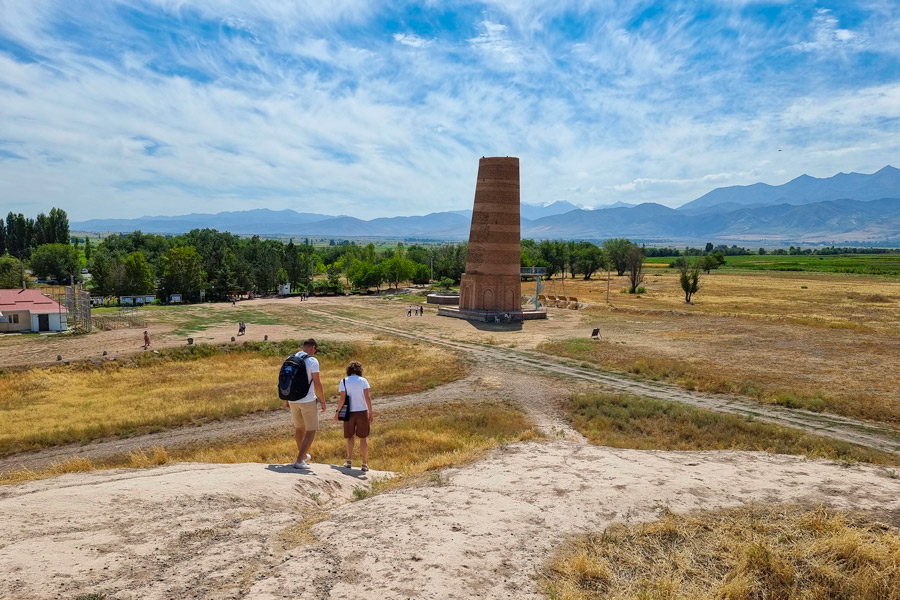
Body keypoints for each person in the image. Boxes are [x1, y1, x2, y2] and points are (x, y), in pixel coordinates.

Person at [285, 338, 326, 469]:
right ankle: (299, 461)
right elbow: (317, 383)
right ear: (313, 348)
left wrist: (287, 398)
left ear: (303, 346)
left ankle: (302, 456)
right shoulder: (312, 361)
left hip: (292, 400)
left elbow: (287, 381)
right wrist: (323, 400)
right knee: (311, 430)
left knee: (299, 429)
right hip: (307, 400)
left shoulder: (290, 358)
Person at [333, 360, 373, 471]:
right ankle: (364, 463)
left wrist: (337, 413)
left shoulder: (344, 381)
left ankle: (349, 460)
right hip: (362, 411)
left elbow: (342, 399)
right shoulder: (363, 381)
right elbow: (367, 398)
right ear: (360, 370)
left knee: (350, 437)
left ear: (349, 370)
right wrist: (371, 412)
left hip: (348, 412)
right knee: (363, 438)